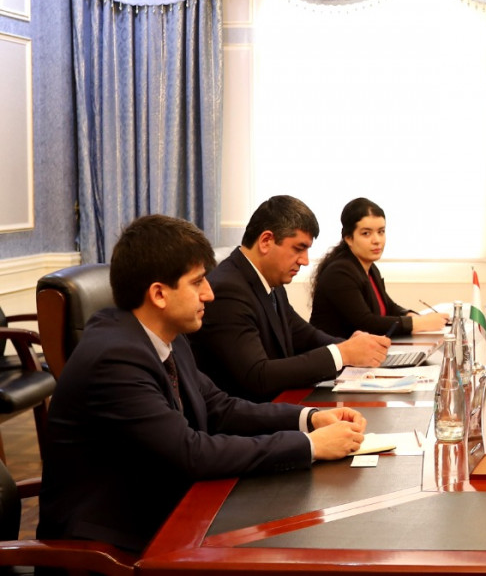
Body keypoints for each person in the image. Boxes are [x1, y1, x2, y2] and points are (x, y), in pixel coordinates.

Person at [37, 215, 366, 553]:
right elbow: (191, 453)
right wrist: (309, 446)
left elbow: (219, 407)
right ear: (159, 294)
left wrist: (309, 418)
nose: (209, 294)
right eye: (197, 282)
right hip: (111, 548)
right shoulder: (115, 358)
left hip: (168, 510)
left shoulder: (167, 335)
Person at [190, 195, 391, 402]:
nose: (305, 261)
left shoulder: (271, 283)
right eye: (299, 248)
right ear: (266, 241)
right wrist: (343, 354)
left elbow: (305, 336)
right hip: (248, 415)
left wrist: (356, 347)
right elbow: (258, 375)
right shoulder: (228, 290)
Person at [309, 197, 449, 338]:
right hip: (336, 350)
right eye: (366, 233)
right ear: (349, 238)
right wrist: (419, 323)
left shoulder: (370, 268)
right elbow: (366, 323)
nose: (377, 240)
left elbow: (389, 307)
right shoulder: (339, 272)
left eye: (381, 231)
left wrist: (410, 315)